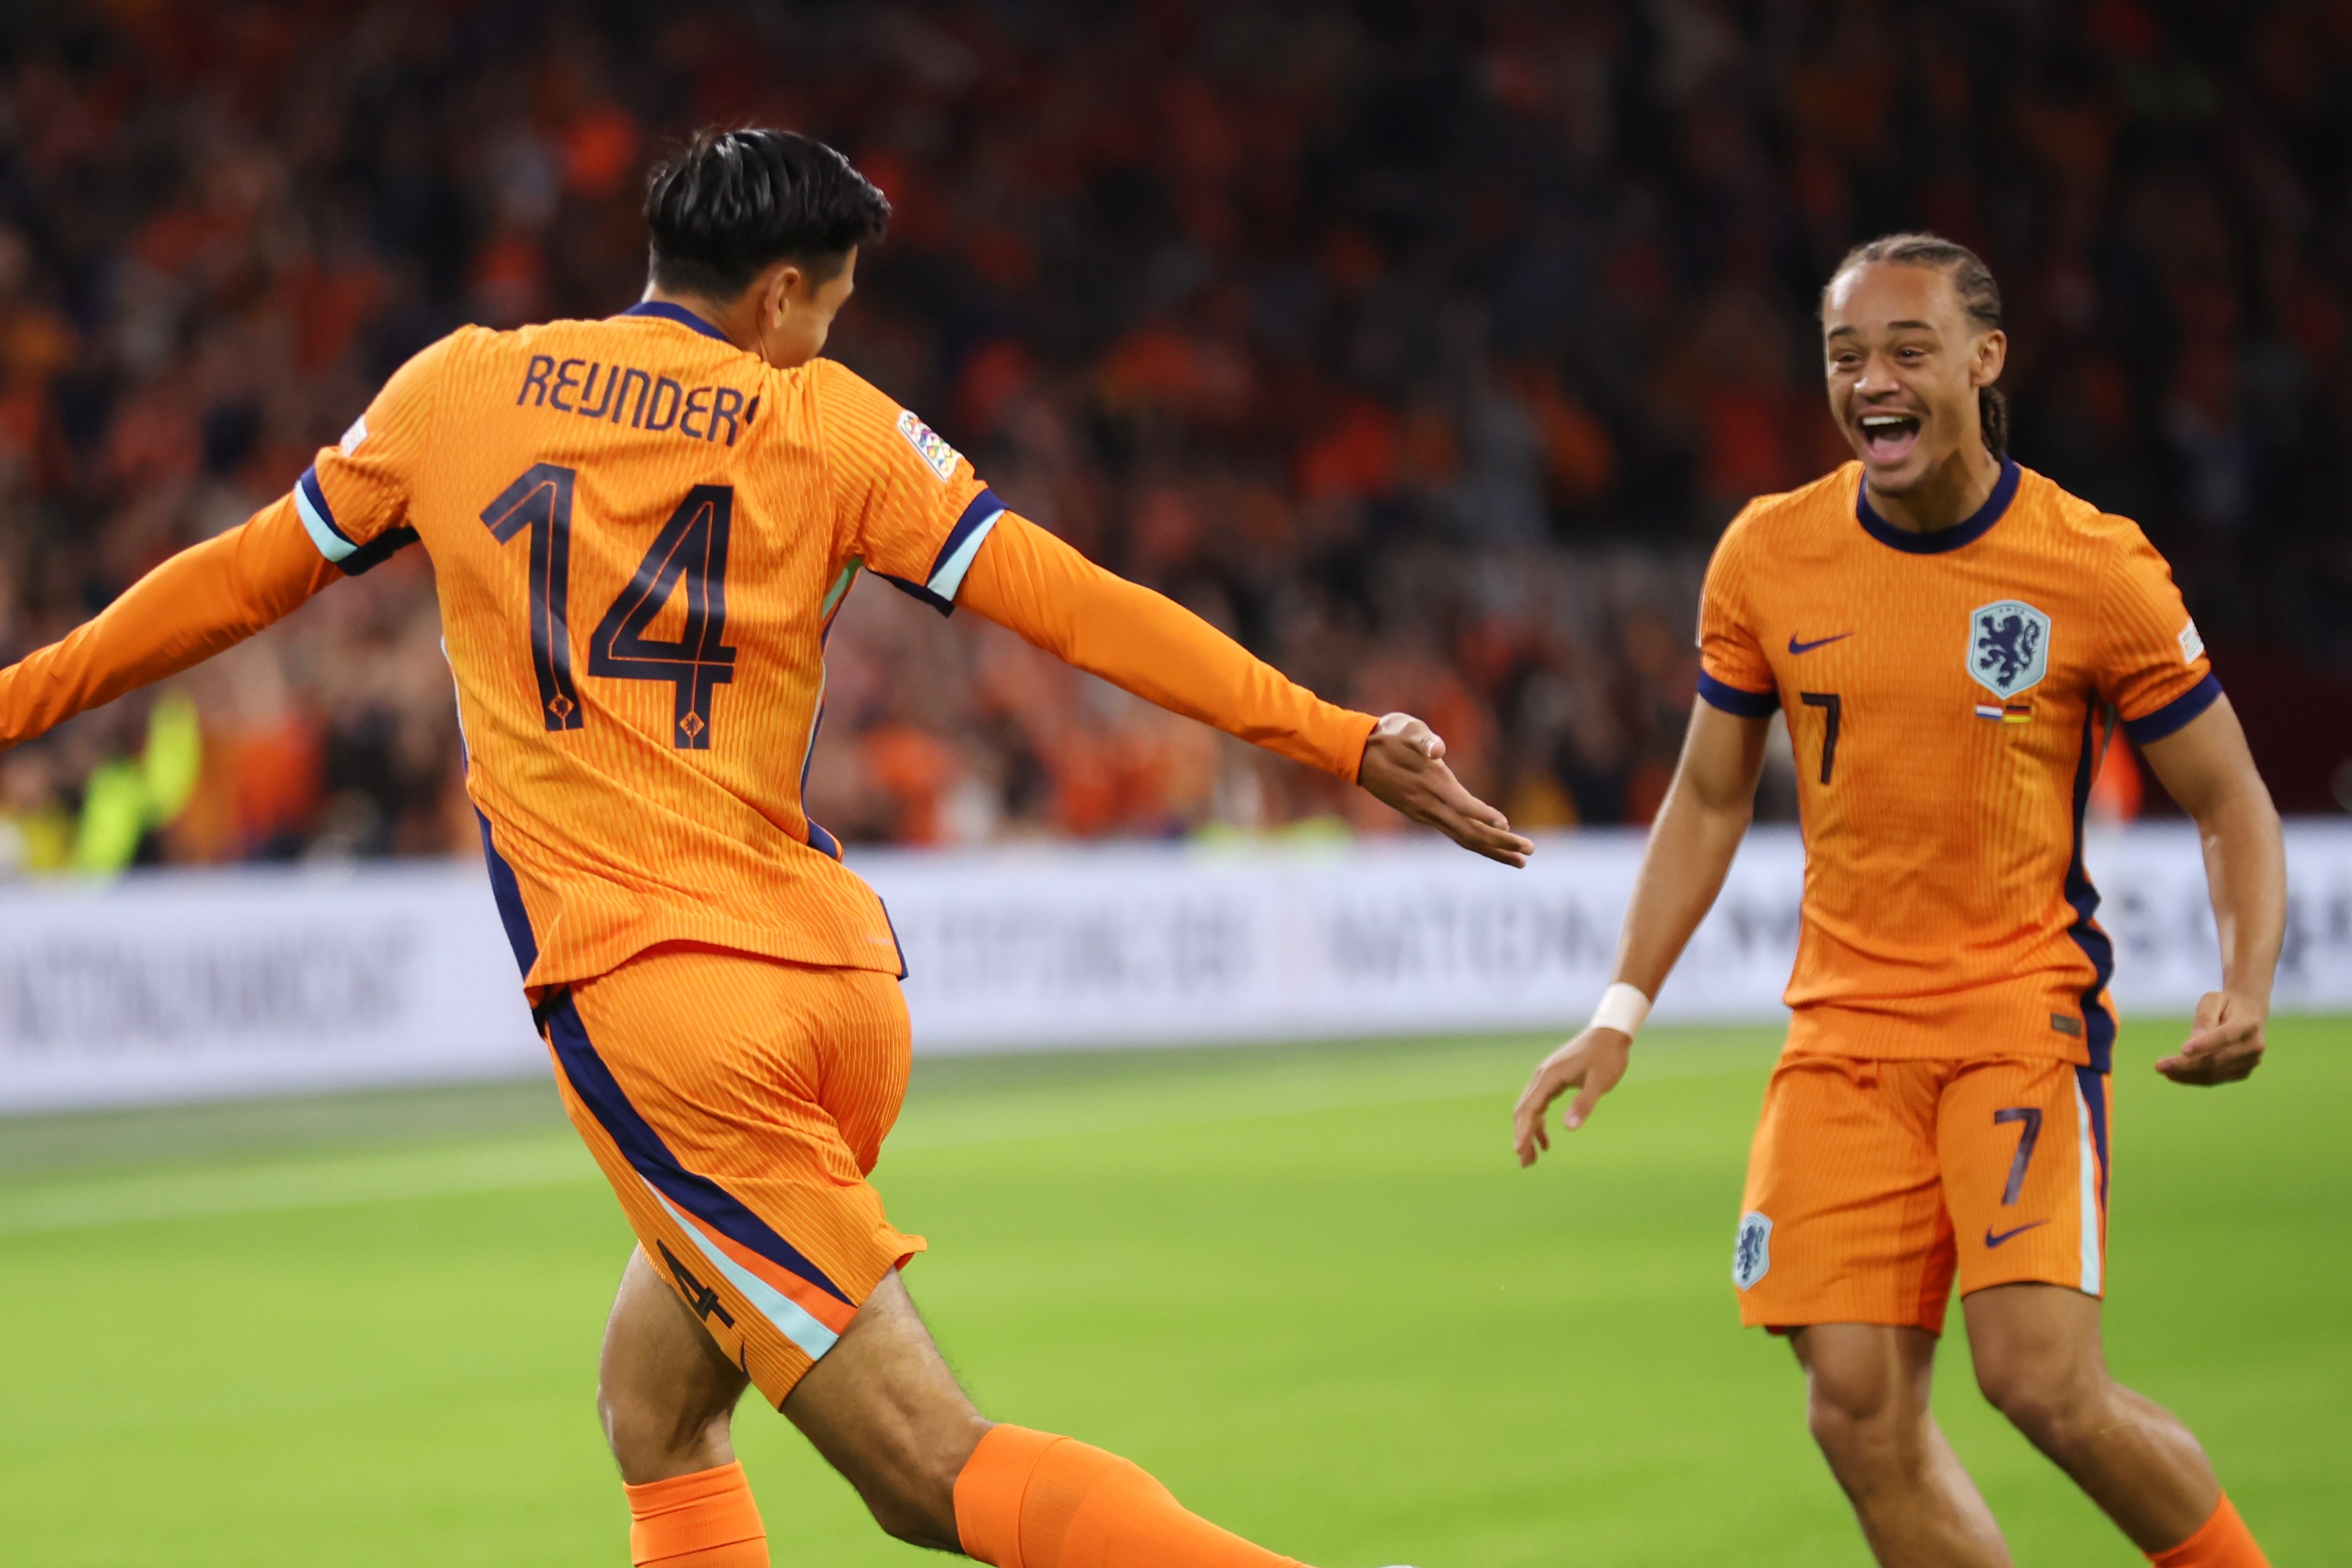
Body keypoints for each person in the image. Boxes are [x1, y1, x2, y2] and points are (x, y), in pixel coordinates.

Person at [0, 128, 1534, 1568]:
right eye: (838, 302)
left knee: (927, 1472)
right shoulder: (835, 424)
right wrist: (1332, 733)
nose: (835, 332)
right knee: (655, 1405)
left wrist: (21, 700)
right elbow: (1077, 603)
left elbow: (235, 582)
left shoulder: (458, 389)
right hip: (839, 988)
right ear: (782, 292)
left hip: (666, 1007)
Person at [1511, 234, 2281, 1568]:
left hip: (2016, 1020)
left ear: (1985, 363)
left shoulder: (2093, 567)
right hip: (1845, 1042)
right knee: (1857, 1414)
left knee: (2042, 1384)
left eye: (1907, 350)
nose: (1872, 380)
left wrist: (2248, 977)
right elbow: (1704, 801)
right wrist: (1619, 1008)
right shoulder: (1769, 553)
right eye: (1846, 355)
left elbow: (2231, 802)